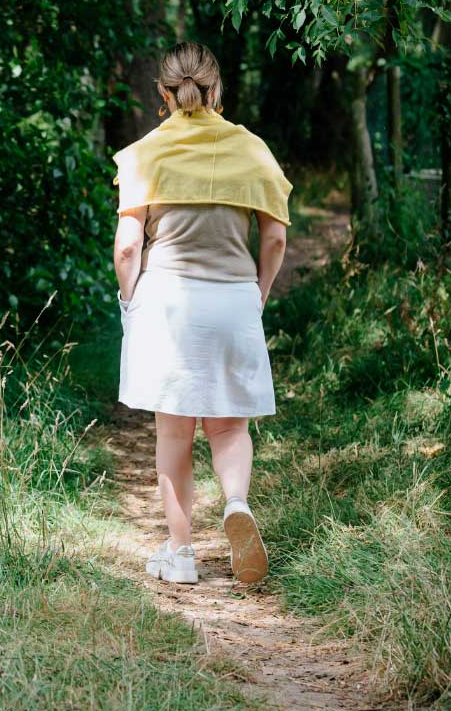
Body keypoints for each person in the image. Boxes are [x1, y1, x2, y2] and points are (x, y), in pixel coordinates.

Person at [111, 42, 290, 585]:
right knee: (231, 426)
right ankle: (236, 504)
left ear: (163, 94)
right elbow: (276, 238)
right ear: (218, 89)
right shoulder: (253, 150)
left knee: (174, 433)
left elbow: (126, 247)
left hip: (169, 300)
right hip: (234, 296)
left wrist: (129, 300)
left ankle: (181, 554)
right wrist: (256, 293)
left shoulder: (145, 153)